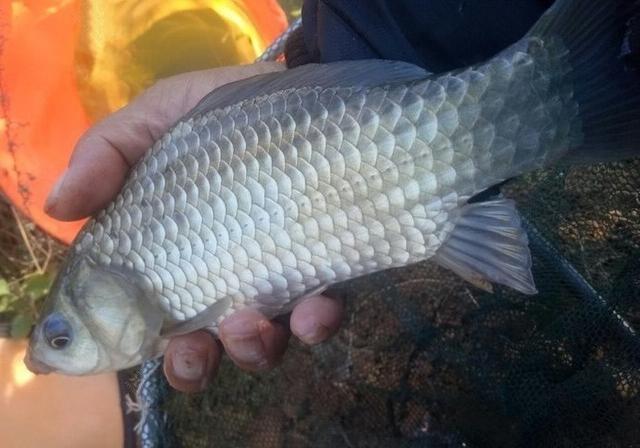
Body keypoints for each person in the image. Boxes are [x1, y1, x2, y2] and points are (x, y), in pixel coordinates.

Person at [43, 0, 551, 392]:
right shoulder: (155, 289)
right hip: (378, 79)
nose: (58, 352)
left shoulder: (157, 285)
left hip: (354, 120)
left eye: (61, 336)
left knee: (536, 95)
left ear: (100, 286)